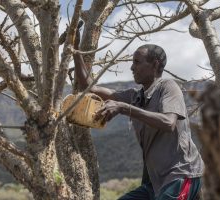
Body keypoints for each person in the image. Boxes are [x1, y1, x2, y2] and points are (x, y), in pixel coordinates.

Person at [73, 34, 204, 199]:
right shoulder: (135, 96)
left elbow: (169, 122)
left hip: (181, 175)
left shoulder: (168, 87)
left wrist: (124, 108)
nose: (132, 68)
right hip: (155, 182)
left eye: (137, 62)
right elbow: (89, 87)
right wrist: (75, 51)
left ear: (155, 65)